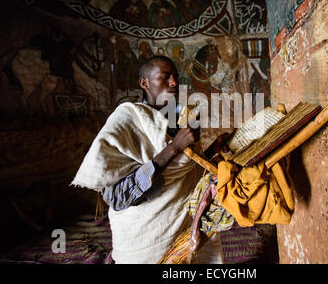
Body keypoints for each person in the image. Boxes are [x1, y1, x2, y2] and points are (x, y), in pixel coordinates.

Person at [72, 55, 225, 263]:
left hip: (180, 236)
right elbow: (117, 197)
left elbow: (186, 174)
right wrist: (175, 147)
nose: (174, 83)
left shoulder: (178, 120)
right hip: (144, 242)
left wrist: (211, 152)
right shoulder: (127, 120)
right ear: (144, 83)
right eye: (165, 77)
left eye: (175, 77)